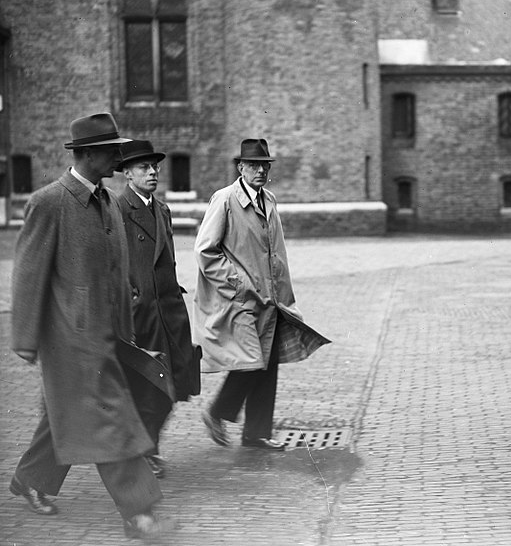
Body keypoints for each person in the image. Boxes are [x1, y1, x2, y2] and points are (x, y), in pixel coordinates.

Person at [8, 113, 175, 538]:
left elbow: (117, 272)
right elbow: (29, 273)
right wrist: (26, 340)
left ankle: (30, 479)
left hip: (108, 334)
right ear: (86, 154)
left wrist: (128, 329)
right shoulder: (49, 202)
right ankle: (140, 511)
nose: (119, 156)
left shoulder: (107, 201)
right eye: (110, 150)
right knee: (110, 419)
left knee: (67, 414)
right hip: (71, 337)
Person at [193, 138, 330, 450]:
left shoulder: (269, 199)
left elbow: (274, 253)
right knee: (251, 361)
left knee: (267, 363)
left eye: (264, 165)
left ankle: (256, 433)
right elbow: (205, 251)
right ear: (240, 167)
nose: (260, 170)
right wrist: (240, 285)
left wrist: (283, 296)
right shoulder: (225, 199)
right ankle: (217, 412)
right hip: (239, 301)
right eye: (253, 164)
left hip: (270, 300)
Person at [116, 140, 201, 478]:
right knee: (148, 387)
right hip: (142, 313)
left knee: (175, 386)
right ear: (126, 173)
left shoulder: (161, 209)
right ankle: (143, 452)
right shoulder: (117, 209)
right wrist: (131, 297)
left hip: (169, 311)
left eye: (154, 167)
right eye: (143, 168)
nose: (152, 173)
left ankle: (146, 448)